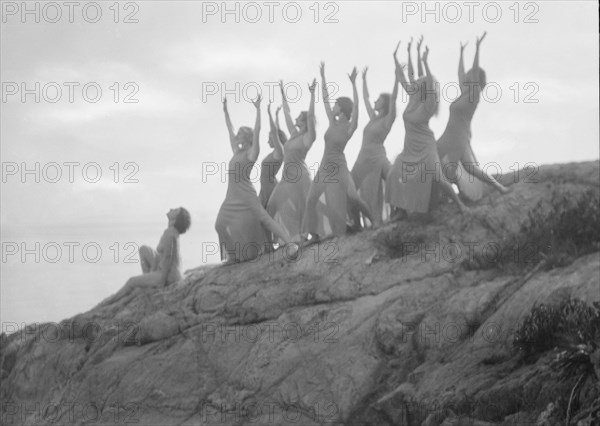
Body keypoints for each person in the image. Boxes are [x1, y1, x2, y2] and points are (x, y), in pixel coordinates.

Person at [386, 40, 468, 216]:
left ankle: (460, 205)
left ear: (424, 88)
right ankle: (400, 210)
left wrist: (425, 62)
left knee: (438, 179)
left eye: (419, 82)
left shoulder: (428, 105)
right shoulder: (413, 97)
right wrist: (394, 57)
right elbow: (402, 77)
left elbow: (430, 84)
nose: (414, 83)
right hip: (410, 148)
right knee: (394, 174)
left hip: (426, 147)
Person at [215, 95, 298, 263]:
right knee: (220, 224)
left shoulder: (251, 153)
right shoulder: (236, 151)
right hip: (231, 196)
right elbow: (229, 130)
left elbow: (258, 131)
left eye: (240, 134)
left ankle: (290, 244)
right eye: (237, 134)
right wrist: (225, 111)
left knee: (264, 218)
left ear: (246, 137)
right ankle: (233, 256)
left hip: (246, 195)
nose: (236, 136)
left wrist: (259, 110)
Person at [301, 62, 374, 241]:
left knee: (354, 197)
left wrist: (354, 84)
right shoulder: (332, 122)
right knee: (311, 199)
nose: (332, 108)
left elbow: (356, 107)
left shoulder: (350, 127)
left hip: (340, 168)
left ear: (342, 108)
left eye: (336, 106)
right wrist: (323, 78)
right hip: (325, 167)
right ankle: (310, 235)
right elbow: (325, 100)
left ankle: (374, 222)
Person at [437, 32, 509, 200]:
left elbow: (474, 71)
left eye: (471, 74)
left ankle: (498, 187)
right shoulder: (465, 92)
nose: (467, 75)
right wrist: (461, 53)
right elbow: (459, 73)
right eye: (468, 74)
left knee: (468, 168)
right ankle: (450, 193)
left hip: (459, 136)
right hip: (449, 135)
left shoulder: (474, 94)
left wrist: (477, 49)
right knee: (435, 159)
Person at [350, 43, 402, 228]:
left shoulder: (388, 120)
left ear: (385, 104)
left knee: (394, 179)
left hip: (378, 157)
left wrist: (397, 77)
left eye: (379, 100)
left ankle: (399, 211)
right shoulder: (373, 118)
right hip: (362, 158)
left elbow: (394, 98)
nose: (375, 101)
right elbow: (365, 98)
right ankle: (355, 224)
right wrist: (360, 80)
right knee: (349, 191)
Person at [100, 207, 191, 306]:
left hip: (169, 276)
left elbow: (168, 257)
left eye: (175, 210)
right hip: (165, 268)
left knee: (131, 281)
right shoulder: (171, 231)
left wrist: (161, 280)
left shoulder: (169, 233)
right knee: (144, 249)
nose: (171, 208)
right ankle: (147, 280)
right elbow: (165, 255)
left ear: (175, 219)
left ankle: (110, 302)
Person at [266, 79, 320, 242]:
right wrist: (282, 94)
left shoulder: (308, 138)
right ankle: (282, 238)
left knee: (305, 208)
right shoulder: (293, 133)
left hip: (301, 178)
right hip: (287, 179)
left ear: (304, 123)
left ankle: (309, 236)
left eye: (299, 118)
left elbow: (310, 116)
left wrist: (312, 95)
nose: (295, 119)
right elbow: (287, 113)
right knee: (271, 206)